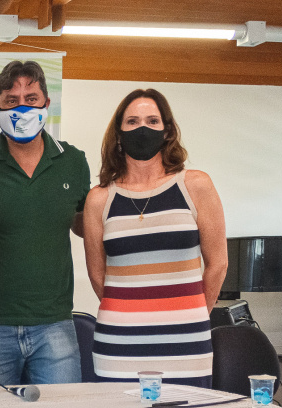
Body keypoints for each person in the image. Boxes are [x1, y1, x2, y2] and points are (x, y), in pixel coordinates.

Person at [83, 89, 227, 386]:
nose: (143, 128)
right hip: (119, 342)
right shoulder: (98, 199)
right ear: (119, 133)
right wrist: (132, 313)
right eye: (132, 121)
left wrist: (193, 312)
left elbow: (218, 264)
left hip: (187, 339)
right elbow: (99, 276)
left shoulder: (196, 185)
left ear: (167, 131)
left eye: (152, 120)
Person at [0, 61, 90, 387]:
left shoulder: (73, 162)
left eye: (31, 99)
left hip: (54, 323)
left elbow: (83, 223)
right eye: (11, 100)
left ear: (46, 104)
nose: (21, 107)